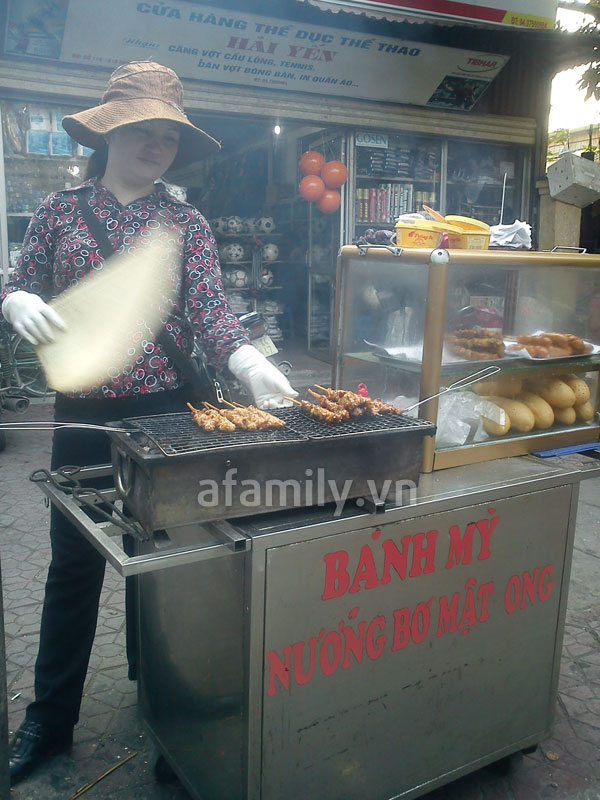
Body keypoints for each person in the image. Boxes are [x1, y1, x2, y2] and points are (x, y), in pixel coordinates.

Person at [0, 60, 297, 785]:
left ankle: (163, 700)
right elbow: (18, 282)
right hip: (83, 416)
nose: (157, 144)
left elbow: (210, 313)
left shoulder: (186, 222)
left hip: (167, 414)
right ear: (110, 132)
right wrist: (11, 303)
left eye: (169, 134)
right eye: (144, 130)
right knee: (73, 567)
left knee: (163, 565)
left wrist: (248, 362)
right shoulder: (60, 215)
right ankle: (50, 714)